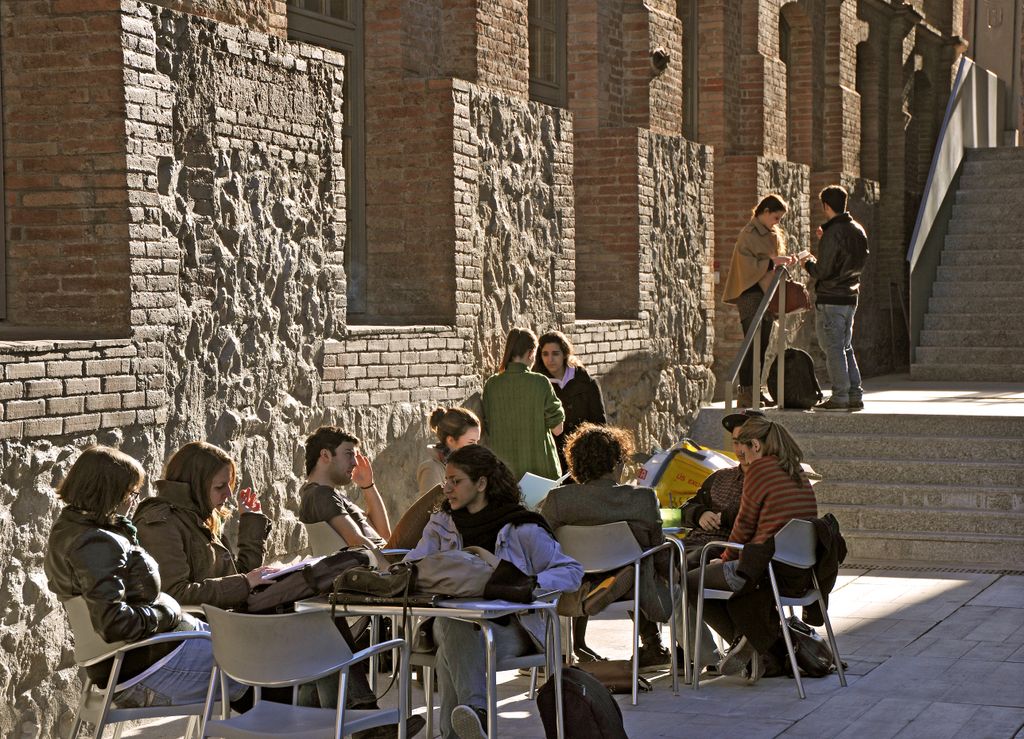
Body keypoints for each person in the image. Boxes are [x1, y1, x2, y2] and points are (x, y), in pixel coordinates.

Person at [44, 445, 245, 709]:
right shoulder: (95, 542)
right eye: (130, 493)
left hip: (151, 653)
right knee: (254, 666)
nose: (133, 501)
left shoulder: (74, 528)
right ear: (109, 492)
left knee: (253, 649)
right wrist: (167, 611)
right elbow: (113, 622)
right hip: (143, 667)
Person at [405, 445, 582, 739]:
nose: (446, 488)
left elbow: (571, 572)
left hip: (509, 630)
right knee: (454, 624)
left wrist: (526, 584)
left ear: (482, 483)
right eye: (445, 480)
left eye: (455, 481)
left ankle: (460, 729)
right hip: (445, 627)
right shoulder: (440, 524)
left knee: (451, 650)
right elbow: (414, 566)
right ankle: (478, 713)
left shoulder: (521, 526)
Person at [686, 416, 817, 683]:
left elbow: (744, 525)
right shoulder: (795, 470)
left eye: (741, 447)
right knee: (707, 576)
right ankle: (753, 644)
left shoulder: (760, 470)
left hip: (765, 571)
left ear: (755, 445)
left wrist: (723, 559)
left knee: (689, 582)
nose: (739, 454)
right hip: (800, 570)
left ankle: (751, 643)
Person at [539, 423, 672, 667]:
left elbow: (542, 538)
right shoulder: (642, 498)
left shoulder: (559, 499)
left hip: (576, 577)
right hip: (636, 585)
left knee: (575, 569)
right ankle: (653, 644)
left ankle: (582, 618)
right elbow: (658, 549)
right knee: (642, 564)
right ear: (615, 463)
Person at [134, 441, 274, 610]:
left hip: (223, 620)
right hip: (196, 631)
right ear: (196, 486)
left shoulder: (202, 515)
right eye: (220, 486)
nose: (229, 494)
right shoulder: (159, 524)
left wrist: (251, 521)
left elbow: (238, 581)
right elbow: (174, 594)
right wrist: (245, 582)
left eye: (229, 485)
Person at [722, 194, 797, 408]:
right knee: (752, 345)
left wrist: (782, 261)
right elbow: (745, 265)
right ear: (764, 212)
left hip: (766, 294)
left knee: (763, 346)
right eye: (776, 217)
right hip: (750, 294)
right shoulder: (749, 234)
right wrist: (773, 261)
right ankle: (746, 393)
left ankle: (756, 390)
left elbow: (769, 263)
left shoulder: (772, 234)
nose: (777, 222)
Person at [800, 185, 869, 412]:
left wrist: (807, 262)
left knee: (833, 347)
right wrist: (826, 237)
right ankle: (854, 394)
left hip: (831, 298)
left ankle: (840, 396)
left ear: (826, 206)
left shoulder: (833, 233)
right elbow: (848, 257)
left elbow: (823, 271)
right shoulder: (857, 229)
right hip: (851, 296)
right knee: (844, 346)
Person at [679, 409, 766, 567]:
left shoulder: (769, 480)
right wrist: (700, 514)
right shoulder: (720, 476)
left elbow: (759, 522)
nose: (740, 449)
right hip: (691, 544)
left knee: (685, 563)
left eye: (746, 442)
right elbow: (685, 508)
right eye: (736, 442)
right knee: (655, 557)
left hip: (726, 551)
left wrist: (724, 517)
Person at [482, 327, 565, 481]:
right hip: (541, 474)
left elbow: (488, 429)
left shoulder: (491, 385)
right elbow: (558, 429)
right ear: (530, 353)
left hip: (503, 476)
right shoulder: (540, 382)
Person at [298, 426, 390, 549]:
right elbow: (356, 541)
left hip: (389, 556)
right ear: (325, 455)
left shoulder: (329, 495)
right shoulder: (320, 494)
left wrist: (368, 485)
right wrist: (390, 566)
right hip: (383, 563)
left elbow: (384, 537)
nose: (355, 462)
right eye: (349, 454)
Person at [532, 330, 606, 475]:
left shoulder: (587, 383)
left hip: (583, 458)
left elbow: (600, 423)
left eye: (555, 353)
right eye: (545, 354)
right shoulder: (537, 385)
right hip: (552, 458)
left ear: (565, 354)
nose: (550, 359)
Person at [416, 407, 481, 494]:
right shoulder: (431, 469)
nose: (476, 447)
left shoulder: (471, 468)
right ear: (450, 440)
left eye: (477, 441)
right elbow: (429, 507)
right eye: (471, 442)